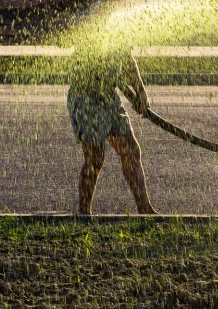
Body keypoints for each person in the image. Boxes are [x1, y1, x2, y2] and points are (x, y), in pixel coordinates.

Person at [67, 45, 157, 215]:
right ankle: (84, 214)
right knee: (95, 158)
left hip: (109, 97)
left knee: (131, 151)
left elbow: (127, 59)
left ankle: (145, 210)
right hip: (85, 97)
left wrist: (140, 91)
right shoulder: (88, 23)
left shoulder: (117, 24)